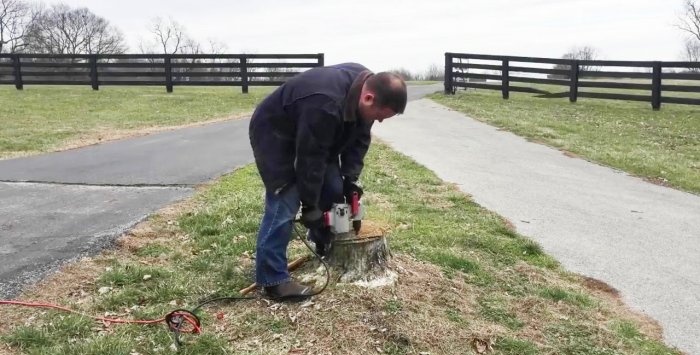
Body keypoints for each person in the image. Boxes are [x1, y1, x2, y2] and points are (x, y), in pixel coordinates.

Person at [248, 62, 407, 300]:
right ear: (368, 98)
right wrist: (310, 206)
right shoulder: (325, 102)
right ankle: (273, 280)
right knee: (285, 203)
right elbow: (310, 158)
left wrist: (350, 179)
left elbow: (360, 138)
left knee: (333, 188)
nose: (380, 121)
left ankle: (323, 242)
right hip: (277, 135)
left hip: (317, 135)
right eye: (379, 116)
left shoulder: (367, 88)